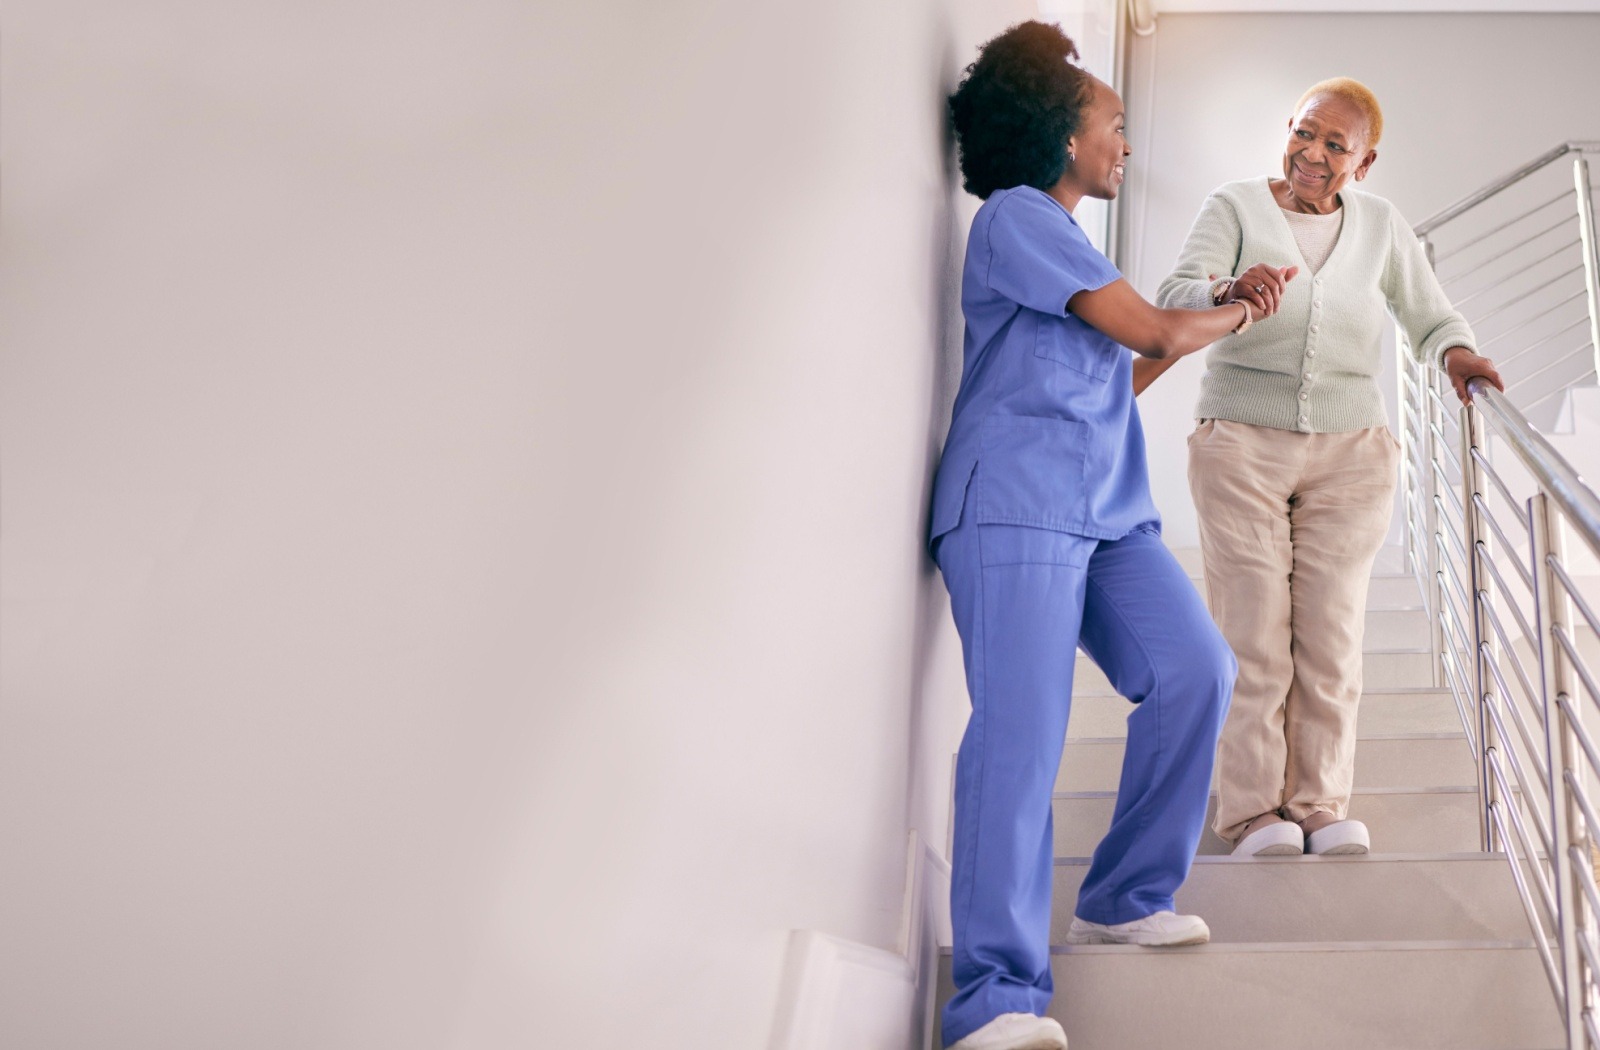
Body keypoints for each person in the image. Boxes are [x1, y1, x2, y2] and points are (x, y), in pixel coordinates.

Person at [931, 22, 1277, 1050]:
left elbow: (1127, 370)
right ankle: (992, 1000)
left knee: (1196, 673)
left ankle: (1123, 894)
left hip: (1105, 513)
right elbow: (1157, 331)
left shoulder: (1076, 247)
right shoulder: (1019, 217)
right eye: (1113, 127)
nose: (1125, 145)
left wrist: (1206, 314)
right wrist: (1239, 312)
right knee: (1022, 737)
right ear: (1061, 136)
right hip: (1015, 505)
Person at [1149, 78, 1504, 859]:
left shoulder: (1380, 226)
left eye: (1334, 145)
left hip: (1352, 453)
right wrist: (1228, 288)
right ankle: (1251, 813)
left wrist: (1458, 353)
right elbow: (1177, 293)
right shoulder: (1236, 207)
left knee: (1332, 636)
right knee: (1254, 634)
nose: (1312, 153)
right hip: (1241, 440)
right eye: (1304, 133)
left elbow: (1429, 315)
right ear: (1289, 129)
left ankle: (1317, 804)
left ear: (1364, 162)